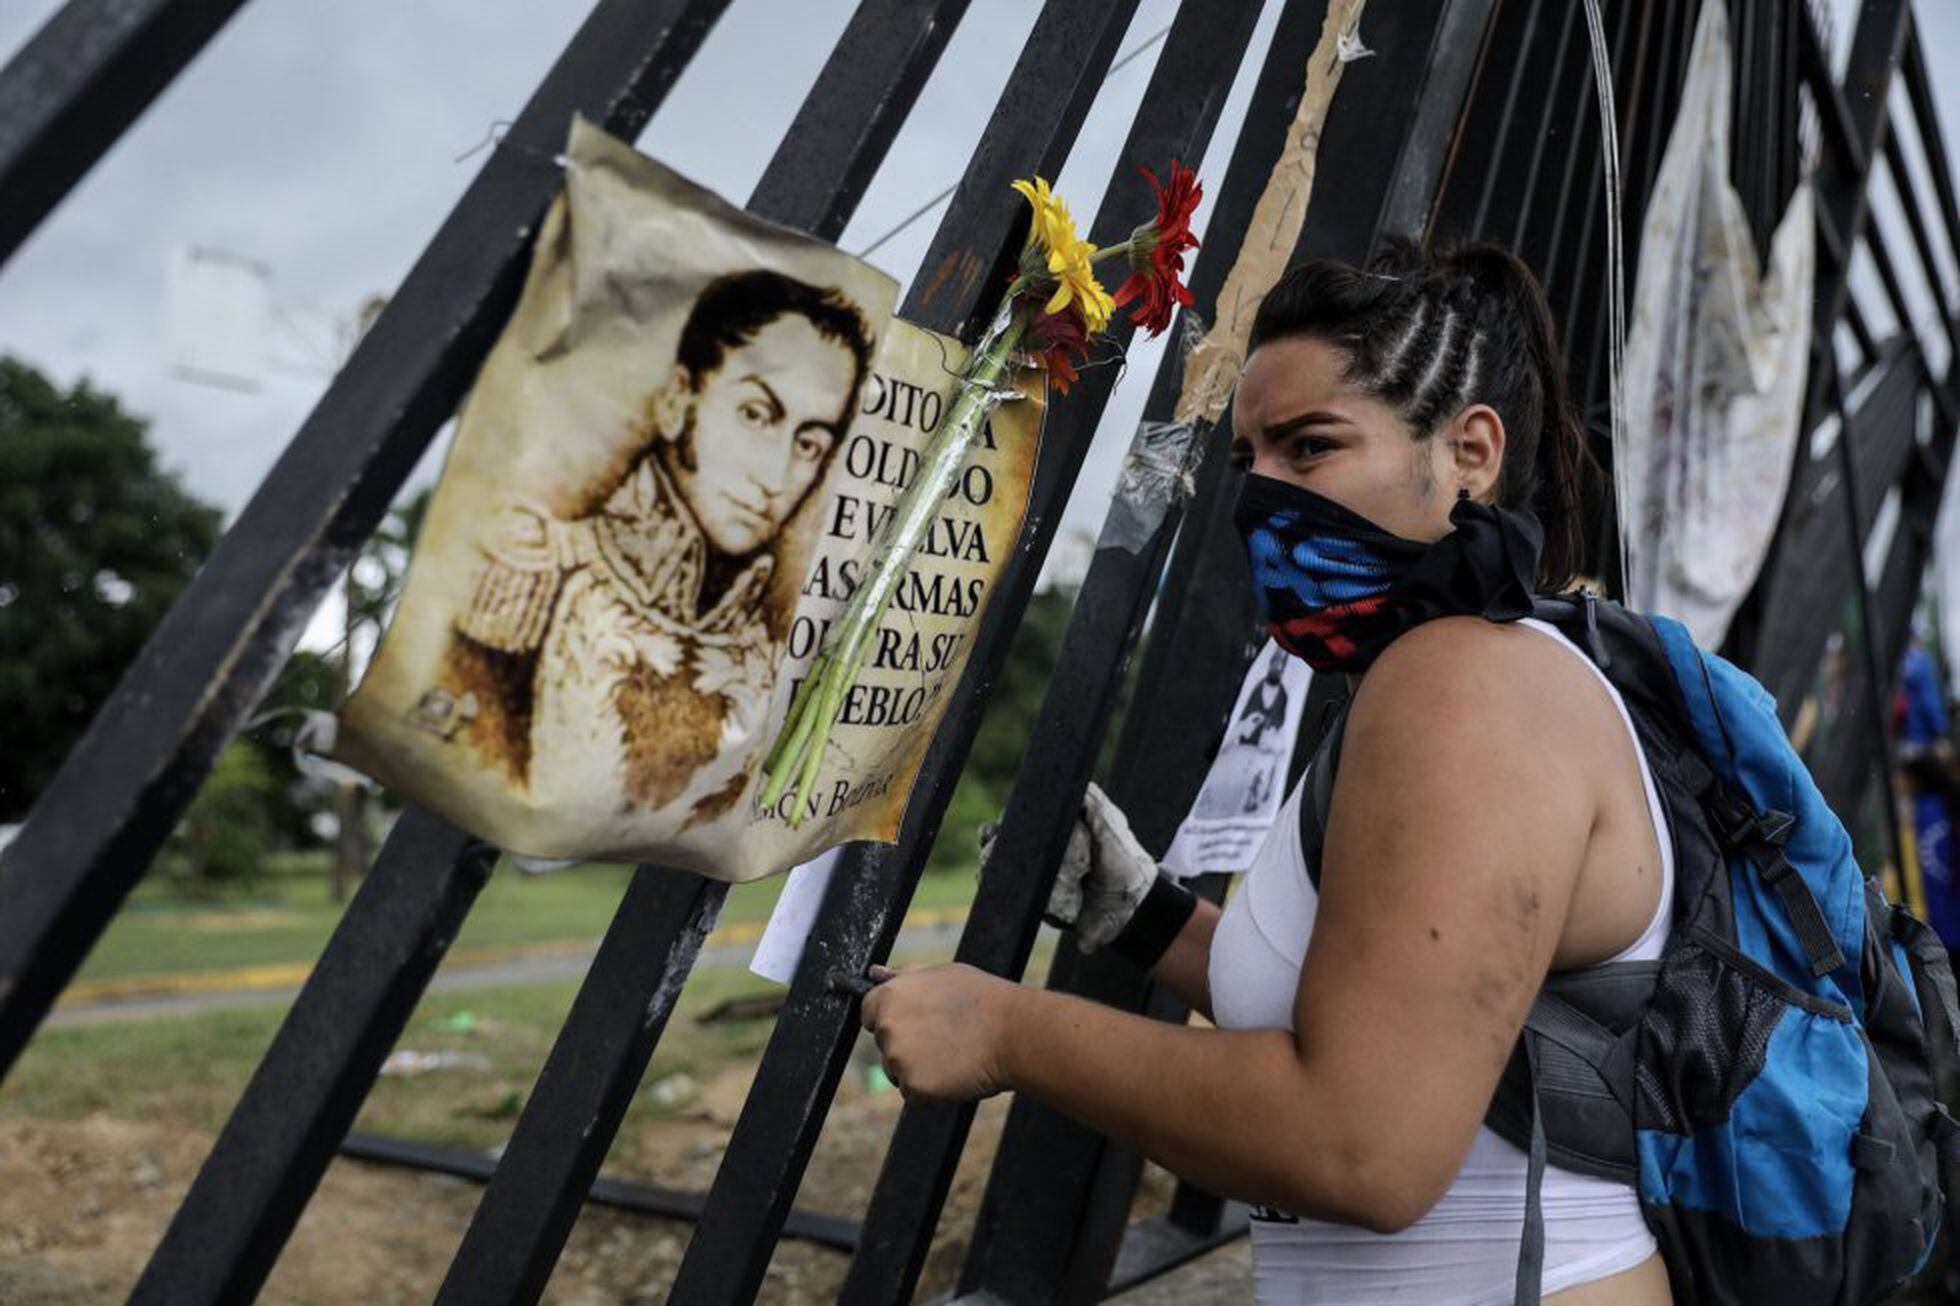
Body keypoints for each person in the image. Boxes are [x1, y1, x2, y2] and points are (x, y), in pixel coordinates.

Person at [860, 242, 1676, 1303]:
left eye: (1311, 445)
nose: (1264, 499)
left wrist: (1004, 1029)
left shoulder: (1463, 687)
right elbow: (1393, 1002)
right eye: (1250, 460)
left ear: (1469, 451)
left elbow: (1362, 1143)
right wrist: (1147, 917)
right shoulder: (1454, 675)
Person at [449, 269, 873, 825]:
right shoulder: (532, 571)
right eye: (755, 414)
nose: (776, 475)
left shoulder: (769, 643)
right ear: (678, 400)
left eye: (811, 441)